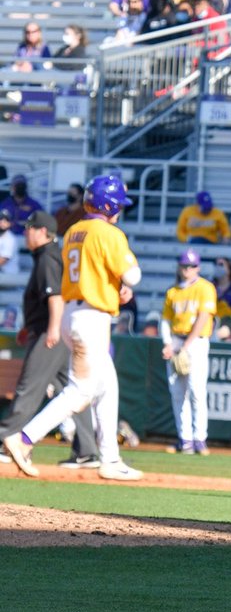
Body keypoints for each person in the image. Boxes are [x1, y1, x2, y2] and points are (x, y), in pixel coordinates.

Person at [3, 175, 143, 482]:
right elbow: (133, 275)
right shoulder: (109, 232)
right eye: (118, 205)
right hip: (91, 317)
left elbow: (92, 271)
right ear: (109, 205)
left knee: (107, 386)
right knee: (80, 390)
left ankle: (110, 459)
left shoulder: (74, 230)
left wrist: (113, 285)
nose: (120, 210)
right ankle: (24, 438)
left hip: (73, 312)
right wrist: (122, 283)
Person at [0, 212, 99, 469]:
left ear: (43, 231)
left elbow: (55, 297)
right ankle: (87, 450)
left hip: (50, 333)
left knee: (29, 387)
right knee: (74, 390)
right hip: (53, 330)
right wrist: (28, 327)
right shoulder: (48, 255)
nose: (26, 232)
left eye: (30, 228)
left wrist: (53, 329)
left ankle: (5, 441)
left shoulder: (48, 257)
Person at [160, 247, 217, 456]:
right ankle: (184, 439)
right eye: (184, 265)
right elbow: (165, 320)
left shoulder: (205, 288)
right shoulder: (173, 292)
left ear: (198, 267)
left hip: (196, 342)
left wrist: (184, 346)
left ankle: (200, 439)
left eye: (191, 266)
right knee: (177, 393)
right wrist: (168, 343)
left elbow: (203, 318)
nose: (187, 269)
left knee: (197, 391)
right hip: (177, 339)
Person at [212, 256, 231, 325]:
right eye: (216, 265)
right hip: (212, 321)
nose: (218, 267)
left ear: (229, 269)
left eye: (221, 265)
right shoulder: (210, 286)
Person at [0, 210, 17, 276]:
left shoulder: (10, 239)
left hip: (9, 275)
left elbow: (2, 260)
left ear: (10, 223)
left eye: (6, 220)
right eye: (0, 219)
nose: (2, 222)